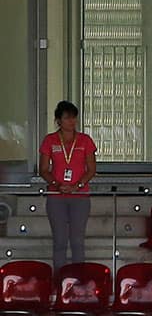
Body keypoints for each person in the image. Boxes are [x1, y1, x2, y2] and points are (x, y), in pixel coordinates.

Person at [38, 100, 97, 269]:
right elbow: (43, 169)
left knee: (77, 241)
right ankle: (59, 281)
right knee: (60, 241)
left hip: (80, 196)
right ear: (58, 120)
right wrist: (57, 184)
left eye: (74, 118)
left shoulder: (85, 140)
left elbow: (91, 169)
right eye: (67, 118)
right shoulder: (50, 140)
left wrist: (77, 185)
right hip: (57, 195)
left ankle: (78, 281)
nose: (72, 122)